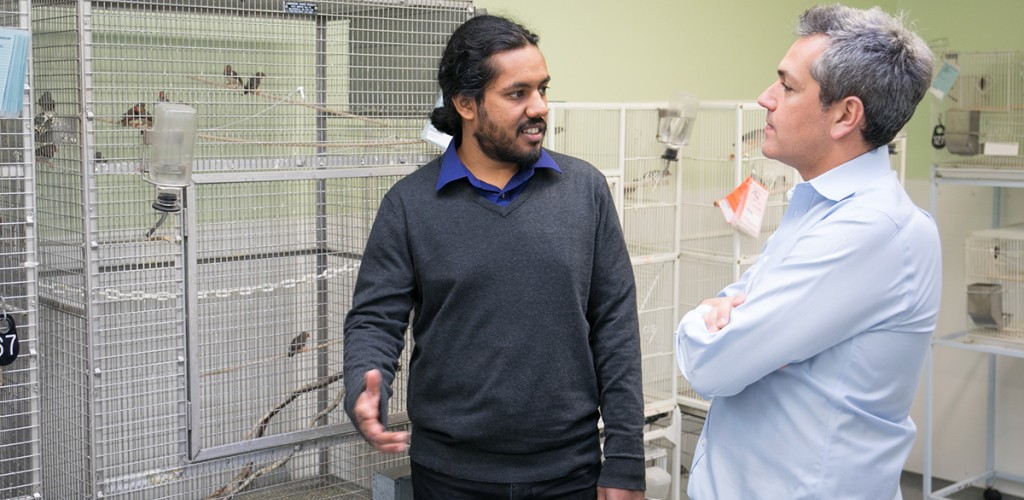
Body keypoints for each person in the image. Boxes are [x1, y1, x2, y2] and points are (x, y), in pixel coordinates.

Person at [343, 14, 646, 500]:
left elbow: (615, 326)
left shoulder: (585, 190)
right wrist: (363, 387)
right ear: (465, 104)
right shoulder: (408, 205)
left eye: (543, 89)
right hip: (449, 475)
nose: (539, 107)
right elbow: (375, 319)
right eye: (517, 93)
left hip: (569, 471)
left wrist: (627, 459)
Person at [675, 4, 940, 499]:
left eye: (788, 86)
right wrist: (747, 326)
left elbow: (714, 365)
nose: (765, 98)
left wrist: (705, 319)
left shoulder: (871, 229)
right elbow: (744, 315)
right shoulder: (819, 206)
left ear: (845, 115)